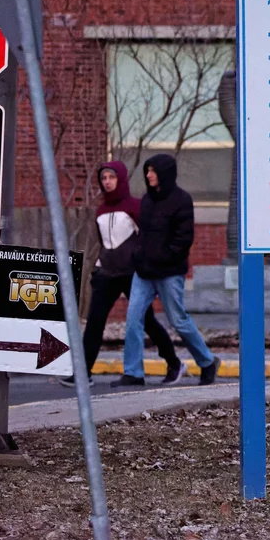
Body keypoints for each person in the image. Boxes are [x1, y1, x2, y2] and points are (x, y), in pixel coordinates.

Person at [61, 162, 182, 388]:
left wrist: (147, 265)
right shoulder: (100, 211)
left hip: (132, 273)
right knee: (95, 322)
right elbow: (105, 243)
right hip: (107, 274)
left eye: (111, 177)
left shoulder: (135, 206)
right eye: (104, 178)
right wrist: (98, 267)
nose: (107, 181)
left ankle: (174, 363)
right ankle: (83, 374)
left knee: (146, 321)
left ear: (121, 179)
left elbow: (149, 237)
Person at [113, 153, 221, 387]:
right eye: (148, 170)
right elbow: (143, 235)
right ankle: (133, 372)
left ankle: (207, 361)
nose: (149, 175)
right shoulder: (147, 200)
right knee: (133, 319)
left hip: (169, 272)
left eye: (153, 171)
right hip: (144, 272)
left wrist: (161, 257)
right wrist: (138, 256)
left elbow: (183, 240)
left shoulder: (182, 200)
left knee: (178, 320)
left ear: (165, 173)